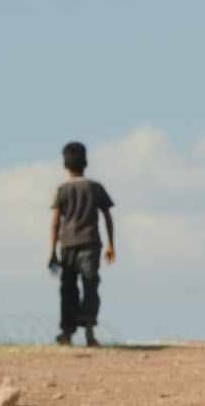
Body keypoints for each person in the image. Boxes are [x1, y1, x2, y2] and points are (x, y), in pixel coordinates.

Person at [48, 141, 116, 347]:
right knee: (90, 286)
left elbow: (55, 222)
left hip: (67, 245)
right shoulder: (95, 188)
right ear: (86, 162)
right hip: (90, 243)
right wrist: (111, 244)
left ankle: (67, 333)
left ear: (64, 165)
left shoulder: (62, 190)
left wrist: (52, 251)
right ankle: (89, 333)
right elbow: (107, 216)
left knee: (68, 289)